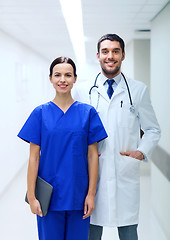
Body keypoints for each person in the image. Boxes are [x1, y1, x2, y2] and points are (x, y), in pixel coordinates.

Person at [72, 34, 161, 240]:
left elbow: (153, 129)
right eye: (105, 52)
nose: (110, 56)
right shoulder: (83, 90)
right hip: (93, 173)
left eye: (115, 51)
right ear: (98, 56)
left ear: (123, 55)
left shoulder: (138, 90)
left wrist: (141, 151)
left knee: (129, 232)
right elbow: (74, 130)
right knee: (90, 231)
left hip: (125, 171)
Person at [17, 56, 108, 240]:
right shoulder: (40, 113)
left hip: (78, 196)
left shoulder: (87, 113)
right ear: (50, 78)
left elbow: (92, 156)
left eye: (68, 75)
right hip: (49, 198)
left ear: (75, 78)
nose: (62, 80)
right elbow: (34, 158)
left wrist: (91, 194)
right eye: (57, 75)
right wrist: (32, 196)